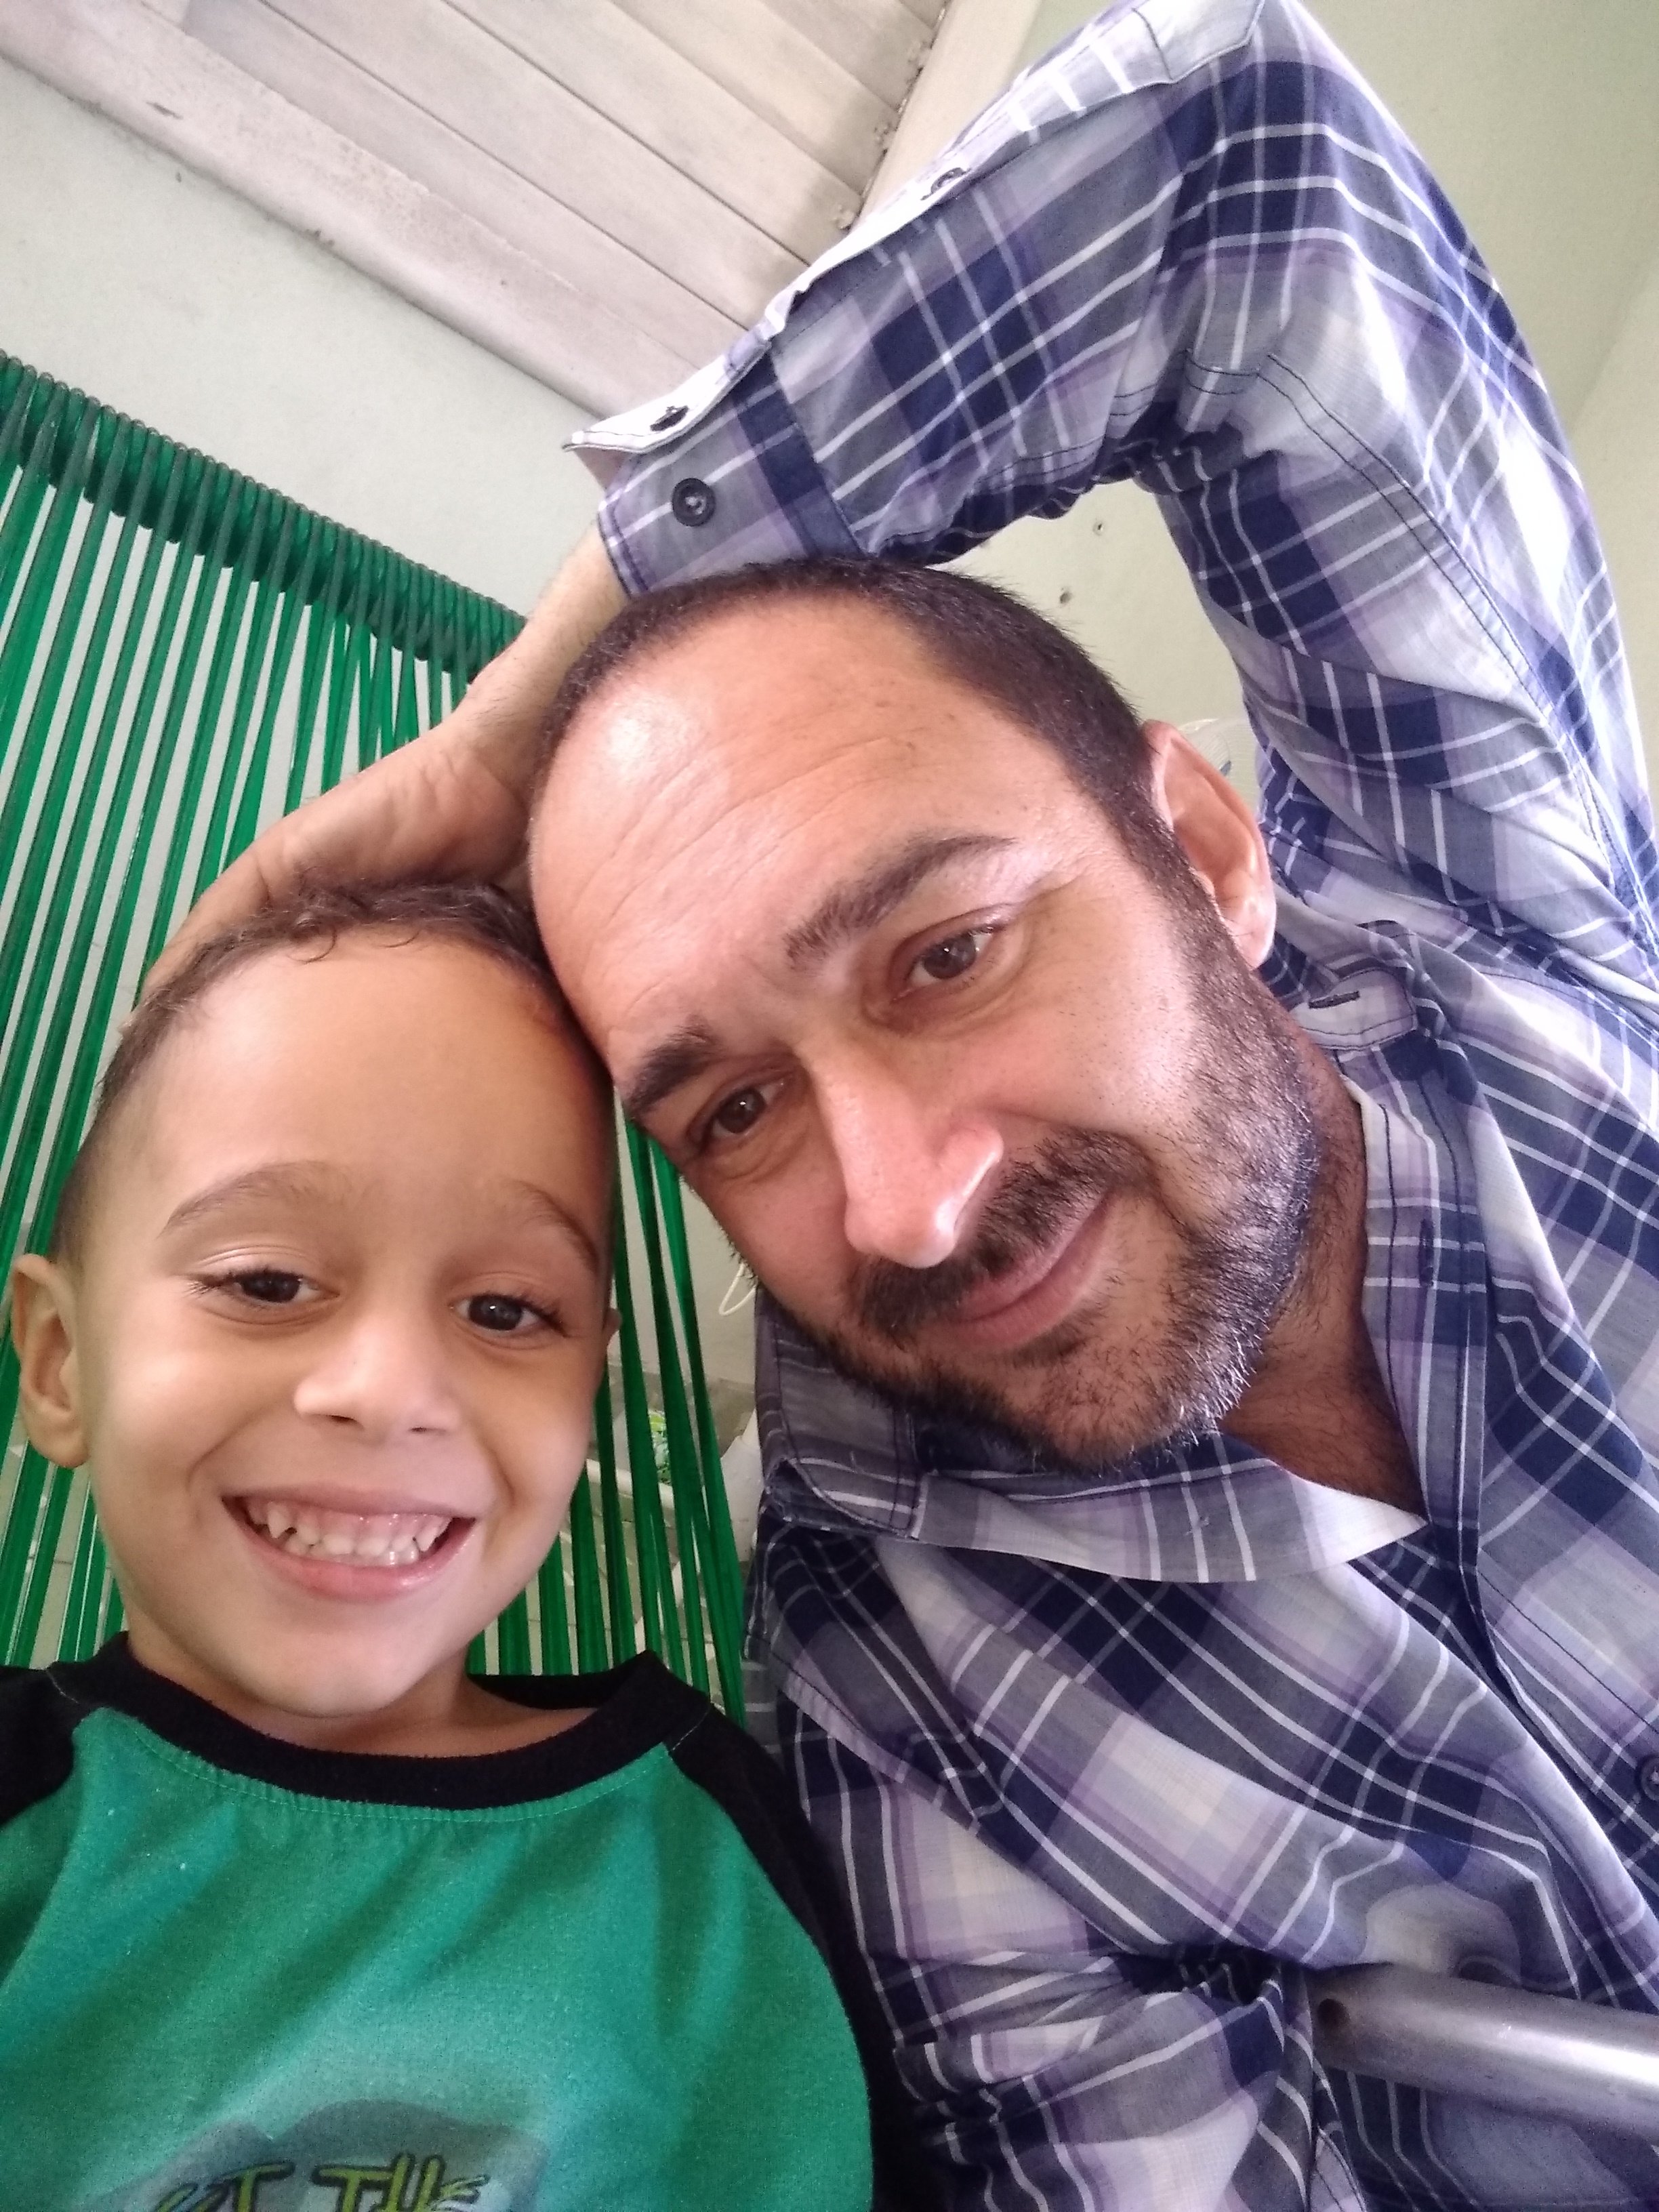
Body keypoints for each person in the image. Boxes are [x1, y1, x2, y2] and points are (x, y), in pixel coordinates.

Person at [161, 1, 1659, 2206]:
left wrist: (520, 722)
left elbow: (1235, 146)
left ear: (1207, 852)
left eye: (946, 953)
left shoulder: (1513, 930)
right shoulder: (908, 1705)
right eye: (733, 1113)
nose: (911, 1203)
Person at [1, 884, 935, 2212]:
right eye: (266, 1283)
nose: (392, 1390)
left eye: (506, 1310)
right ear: (58, 1362)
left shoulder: (715, 1856)